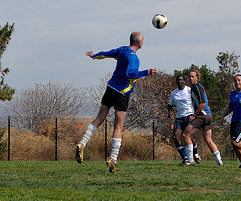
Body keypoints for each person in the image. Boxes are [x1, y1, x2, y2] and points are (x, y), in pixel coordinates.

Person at [75, 31, 157, 173]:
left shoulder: (122, 50)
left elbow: (106, 53)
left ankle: (82, 143)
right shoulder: (134, 58)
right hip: (122, 93)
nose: (143, 42)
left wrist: (94, 56)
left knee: (99, 118)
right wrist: (147, 72)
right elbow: (130, 74)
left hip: (111, 87)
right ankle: (113, 159)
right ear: (139, 42)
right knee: (118, 127)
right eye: (143, 40)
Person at [181, 70, 223, 166]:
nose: (191, 78)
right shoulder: (194, 88)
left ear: (197, 78)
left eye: (193, 77)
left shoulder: (197, 87)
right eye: (190, 77)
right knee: (208, 140)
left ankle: (190, 160)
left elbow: (202, 103)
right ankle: (219, 161)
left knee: (185, 135)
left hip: (203, 116)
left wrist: (194, 115)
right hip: (208, 116)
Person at [167, 74, 201, 164]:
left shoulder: (189, 90)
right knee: (176, 137)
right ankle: (186, 158)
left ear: (184, 81)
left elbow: (197, 102)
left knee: (189, 137)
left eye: (181, 80)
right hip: (179, 117)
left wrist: (195, 114)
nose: (179, 82)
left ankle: (196, 154)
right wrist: (170, 112)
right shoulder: (174, 93)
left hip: (189, 116)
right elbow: (170, 105)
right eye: (178, 80)